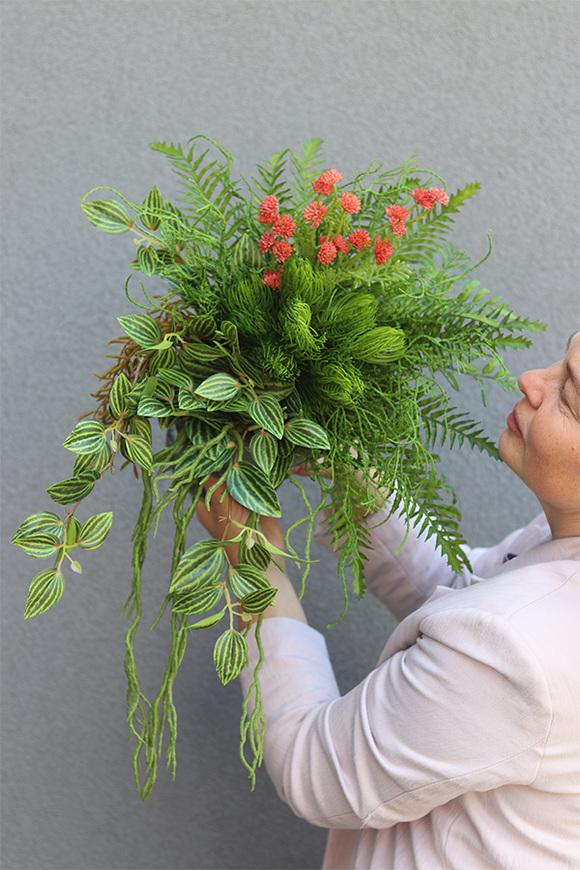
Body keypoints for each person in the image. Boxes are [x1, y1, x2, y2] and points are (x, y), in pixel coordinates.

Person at [197, 332, 580, 869]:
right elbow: (464, 596)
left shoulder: (520, 652)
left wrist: (254, 564)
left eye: (570, 396)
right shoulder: (560, 545)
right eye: (564, 359)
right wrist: (351, 479)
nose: (532, 381)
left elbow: (316, 770)